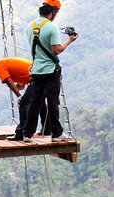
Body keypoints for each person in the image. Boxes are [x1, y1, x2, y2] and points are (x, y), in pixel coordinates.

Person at [22, 0, 78, 143]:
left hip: (37, 69)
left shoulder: (30, 26)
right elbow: (56, 50)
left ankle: (27, 133)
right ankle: (57, 133)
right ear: (52, 12)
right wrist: (70, 41)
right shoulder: (52, 27)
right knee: (53, 102)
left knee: (35, 101)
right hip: (51, 70)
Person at [0, 57, 50, 141]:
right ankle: (47, 130)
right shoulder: (6, 64)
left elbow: (7, 81)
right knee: (40, 102)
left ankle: (21, 133)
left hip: (38, 78)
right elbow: (23, 76)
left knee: (23, 103)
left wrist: (19, 96)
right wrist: (21, 84)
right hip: (44, 75)